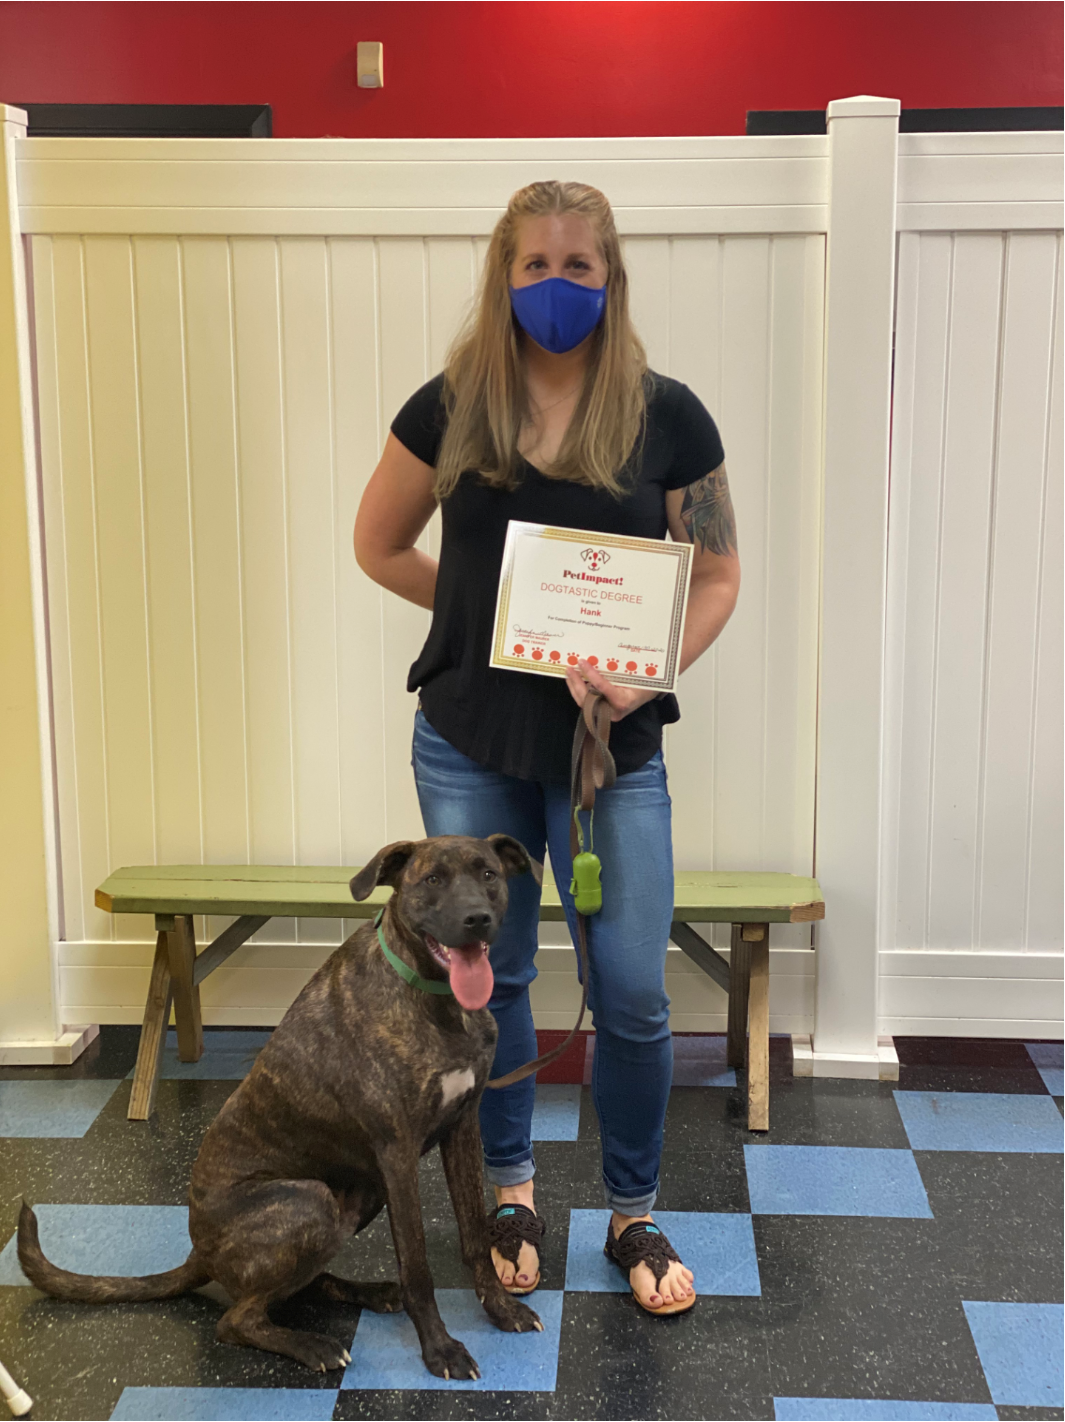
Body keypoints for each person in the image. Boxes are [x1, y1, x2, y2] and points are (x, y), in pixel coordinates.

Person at [354, 181, 740, 1316]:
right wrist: (481, 620)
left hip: (608, 749)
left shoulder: (670, 417)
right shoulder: (449, 407)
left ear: (610, 276)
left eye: (579, 266)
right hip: (467, 742)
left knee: (633, 992)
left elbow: (717, 576)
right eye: (536, 266)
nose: (557, 286)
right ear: (504, 274)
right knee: (495, 980)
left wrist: (647, 671)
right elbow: (378, 544)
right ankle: (512, 1195)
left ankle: (633, 1212)